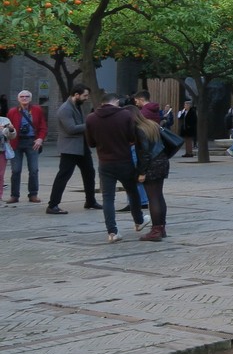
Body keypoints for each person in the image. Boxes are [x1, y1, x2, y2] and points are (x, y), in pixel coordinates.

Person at [85, 93, 147, 243]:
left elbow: (91, 143)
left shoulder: (91, 118)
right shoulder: (125, 115)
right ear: (116, 102)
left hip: (104, 162)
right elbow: (132, 138)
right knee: (132, 192)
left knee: (108, 198)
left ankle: (112, 232)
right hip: (124, 161)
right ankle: (139, 221)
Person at [45, 84, 98, 214]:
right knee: (63, 175)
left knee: (89, 173)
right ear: (76, 95)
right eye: (85, 95)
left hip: (81, 147)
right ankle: (52, 205)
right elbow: (71, 129)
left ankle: (90, 201)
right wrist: (90, 124)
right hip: (70, 148)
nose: (86, 98)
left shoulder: (77, 106)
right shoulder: (65, 109)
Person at [133, 115, 171, 241]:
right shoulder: (151, 125)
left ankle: (155, 231)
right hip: (162, 161)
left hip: (151, 164)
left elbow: (144, 153)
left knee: (153, 198)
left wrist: (142, 172)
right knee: (159, 196)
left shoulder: (139, 130)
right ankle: (161, 228)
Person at [7, 89, 48, 204]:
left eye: (26, 96)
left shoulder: (37, 110)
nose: (24, 98)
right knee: (15, 170)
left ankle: (33, 194)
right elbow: (7, 128)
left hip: (32, 142)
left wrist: (40, 139)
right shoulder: (12, 111)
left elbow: (43, 126)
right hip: (16, 142)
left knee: (34, 169)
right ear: (18, 99)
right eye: (22, 97)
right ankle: (14, 195)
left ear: (30, 98)